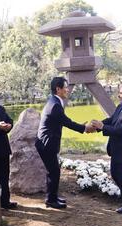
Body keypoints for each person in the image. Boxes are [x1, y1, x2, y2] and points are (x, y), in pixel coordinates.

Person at [35, 76, 95, 209]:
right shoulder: (55, 105)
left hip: (47, 143)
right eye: (65, 87)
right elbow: (67, 122)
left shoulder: (55, 102)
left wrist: (82, 127)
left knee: (53, 171)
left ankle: (53, 197)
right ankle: (51, 200)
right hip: (46, 144)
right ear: (58, 89)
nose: (67, 90)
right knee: (54, 172)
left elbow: (64, 121)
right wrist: (85, 128)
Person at [91, 84, 122, 214]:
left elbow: (121, 131)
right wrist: (97, 126)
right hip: (118, 150)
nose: (118, 95)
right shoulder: (121, 106)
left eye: (121, 93)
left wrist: (102, 127)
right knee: (115, 174)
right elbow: (112, 120)